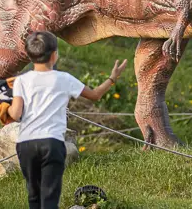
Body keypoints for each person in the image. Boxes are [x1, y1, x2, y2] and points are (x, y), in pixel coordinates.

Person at [8, 31, 128, 209]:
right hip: (52, 143)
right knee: (49, 197)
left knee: (34, 196)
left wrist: (4, 105)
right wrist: (112, 78)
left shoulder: (21, 81)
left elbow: (15, 114)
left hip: (26, 144)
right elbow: (95, 95)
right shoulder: (64, 79)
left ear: (29, 55)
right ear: (54, 55)